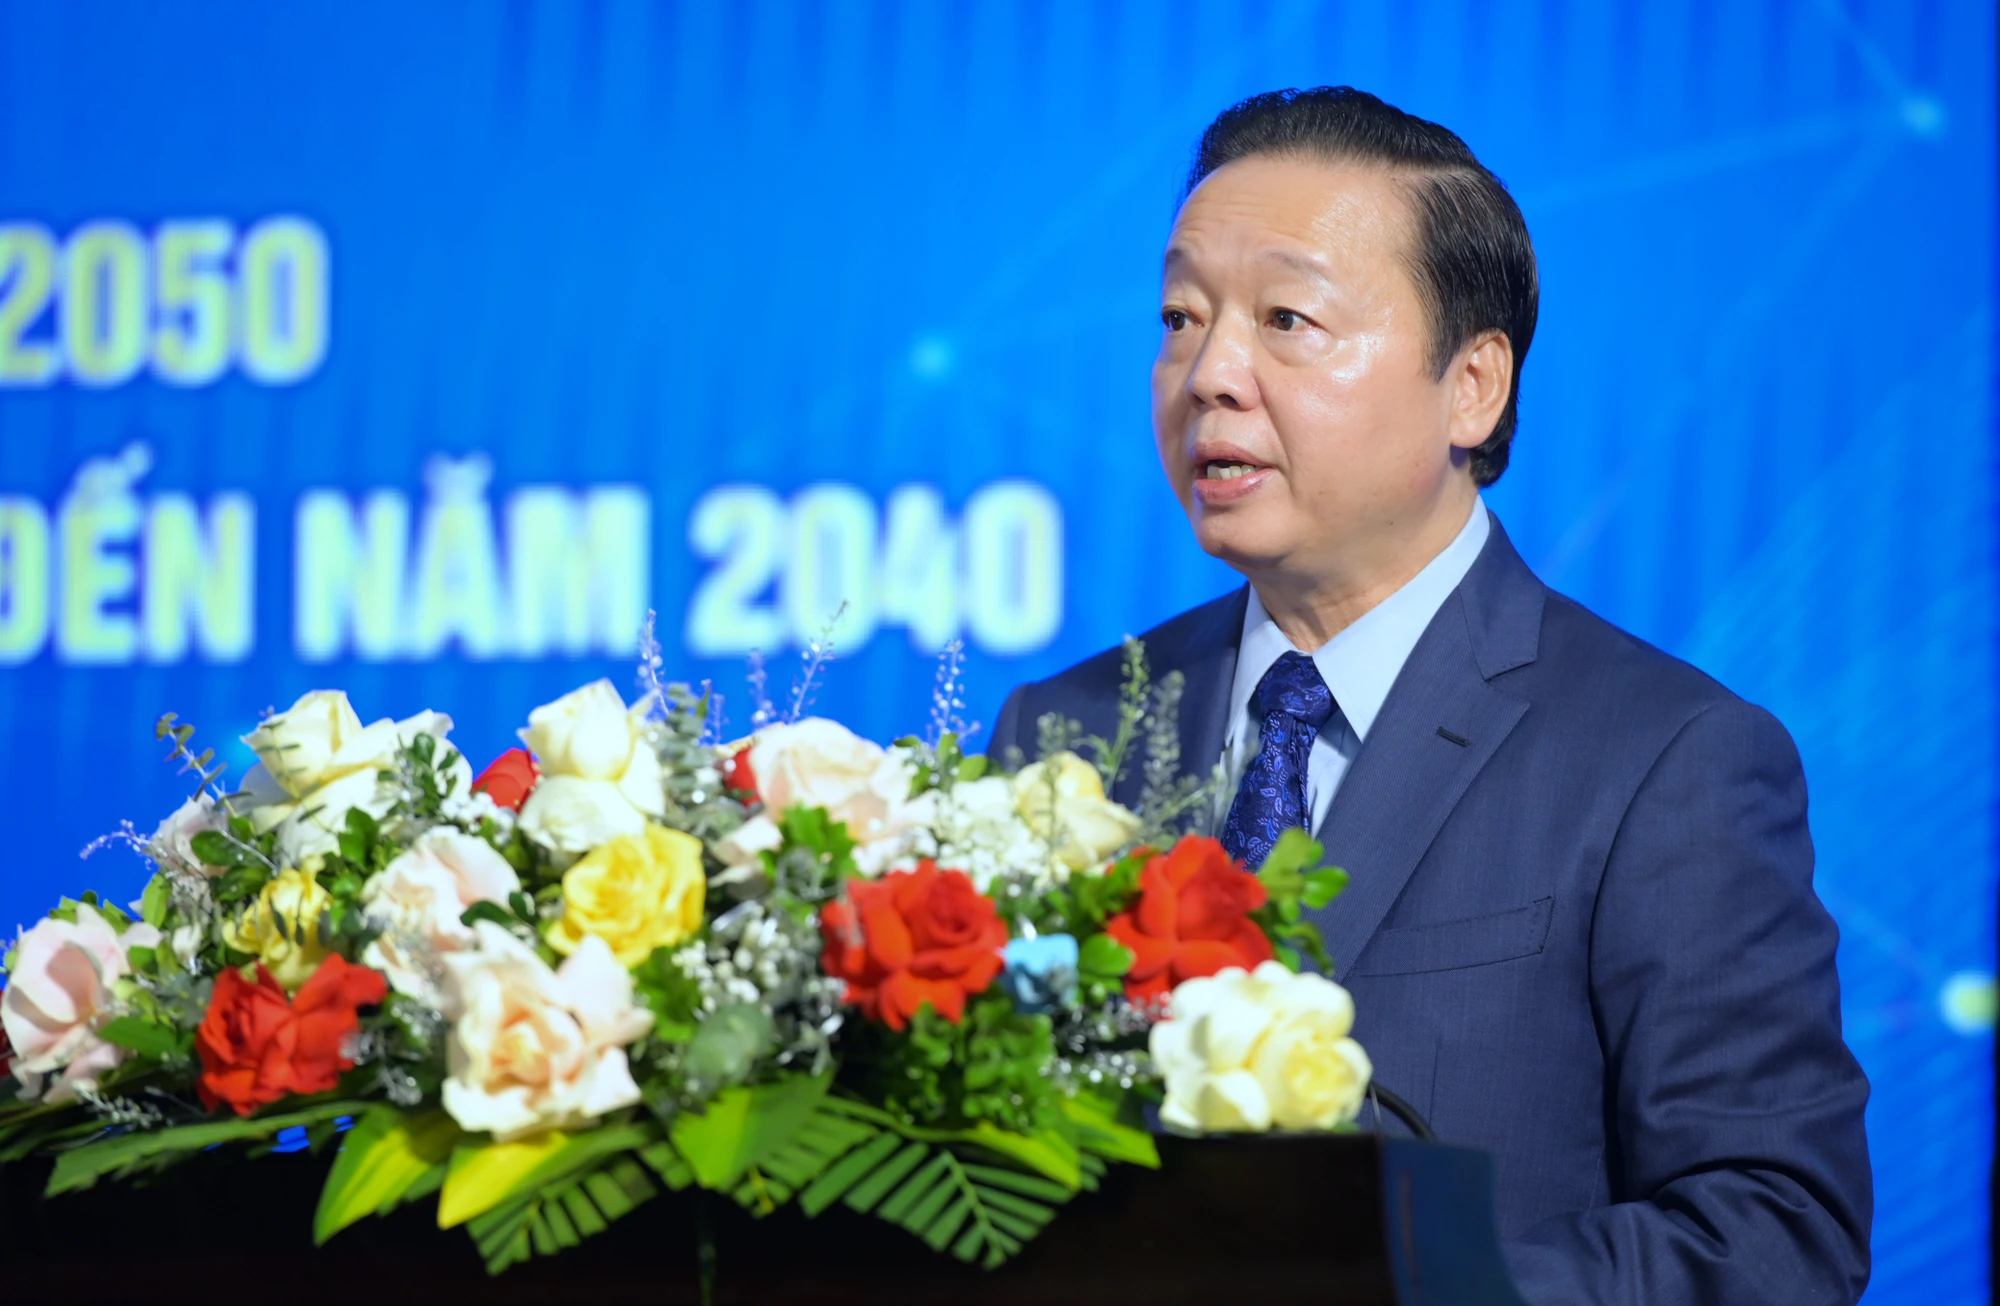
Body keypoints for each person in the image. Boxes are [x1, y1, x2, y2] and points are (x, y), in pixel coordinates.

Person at [988, 87, 1871, 1304]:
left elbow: (1772, 1237)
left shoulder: (1667, 759)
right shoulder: (1063, 734)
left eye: (1286, 319)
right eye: (1180, 318)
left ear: (1472, 386)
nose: (1209, 374)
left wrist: (1378, 1286)